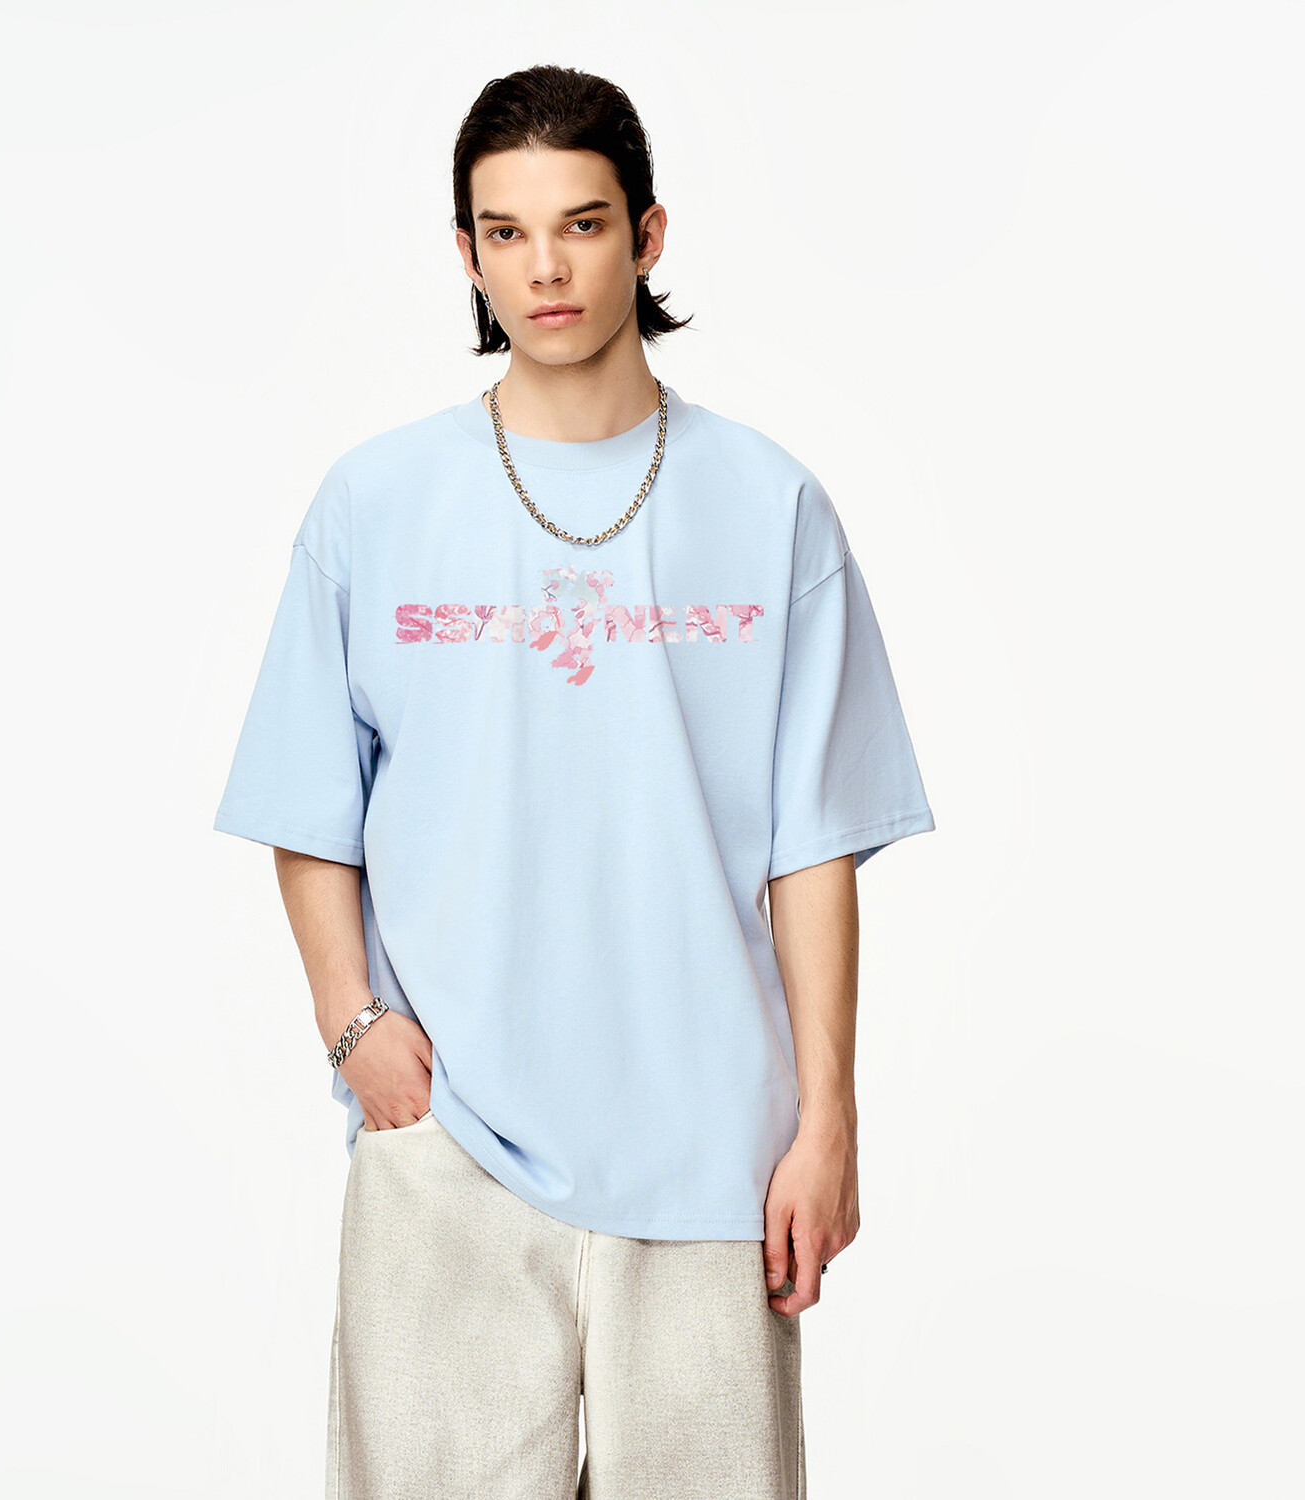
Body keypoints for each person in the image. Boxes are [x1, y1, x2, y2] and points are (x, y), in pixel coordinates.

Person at [214, 63, 935, 1500]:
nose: (544, 268)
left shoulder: (771, 504)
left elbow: (815, 844)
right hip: (451, 1146)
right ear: (468, 253)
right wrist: (355, 1030)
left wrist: (828, 1120)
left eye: (583, 225)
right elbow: (309, 802)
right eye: (507, 231)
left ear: (647, 236)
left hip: (714, 1157)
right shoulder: (375, 502)